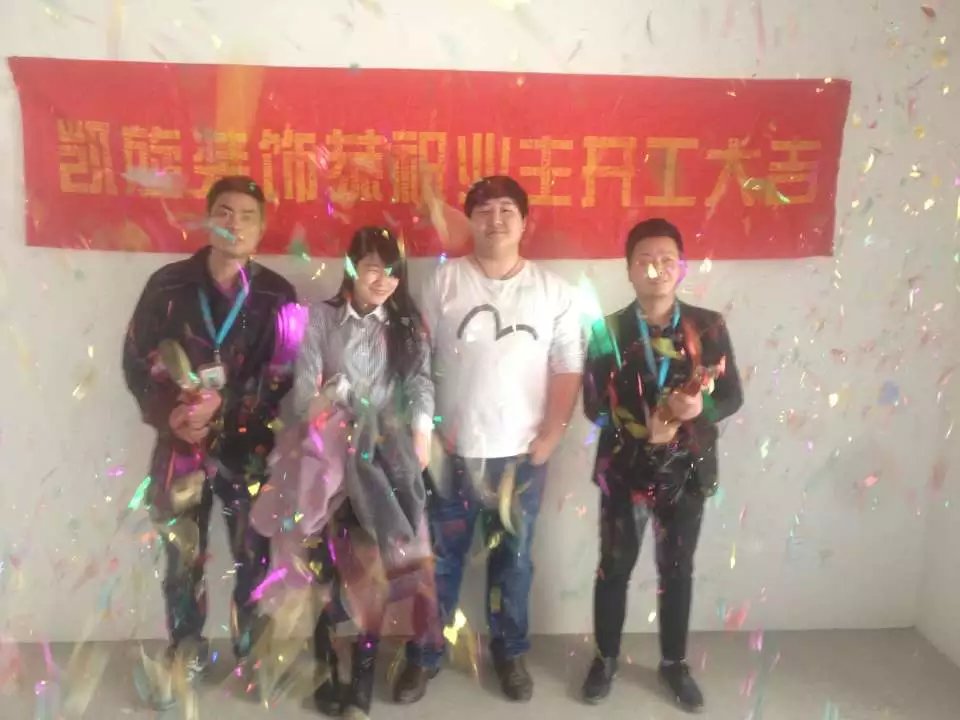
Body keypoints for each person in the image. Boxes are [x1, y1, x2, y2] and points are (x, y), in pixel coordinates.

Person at [395, 176, 584, 703]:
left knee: (514, 561)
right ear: (469, 220)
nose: (495, 220)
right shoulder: (443, 283)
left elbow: (568, 365)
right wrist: (426, 430)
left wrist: (552, 434)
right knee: (439, 560)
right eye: (483, 210)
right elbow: (418, 362)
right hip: (450, 454)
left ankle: (510, 652)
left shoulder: (554, 292)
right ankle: (425, 654)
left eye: (506, 210)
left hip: (521, 457)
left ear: (525, 222)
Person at [122, 176, 297, 705]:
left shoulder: (278, 295)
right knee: (182, 556)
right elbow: (136, 360)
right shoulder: (167, 285)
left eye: (247, 216)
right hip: (180, 443)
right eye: (224, 212)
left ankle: (252, 651)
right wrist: (171, 414)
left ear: (261, 228)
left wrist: (226, 404)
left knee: (253, 553)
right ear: (208, 218)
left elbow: (282, 374)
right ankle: (187, 649)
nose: (233, 224)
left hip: (247, 447)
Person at [579, 218, 743, 713]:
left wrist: (698, 409)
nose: (657, 269)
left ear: (681, 267)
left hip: (686, 470)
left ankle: (674, 664)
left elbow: (731, 395)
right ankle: (605, 659)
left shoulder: (709, 326)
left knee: (677, 570)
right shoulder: (606, 331)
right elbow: (593, 405)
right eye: (645, 260)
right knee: (613, 568)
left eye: (667, 259)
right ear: (629, 269)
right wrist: (641, 427)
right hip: (625, 467)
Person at [283, 226, 438, 718]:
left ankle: (363, 679)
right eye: (373, 267)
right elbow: (303, 398)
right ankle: (326, 667)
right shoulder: (321, 318)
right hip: (327, 460)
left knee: (372, 573)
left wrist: (420, 433)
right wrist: (340, 395)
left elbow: (420, 384)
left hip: (381, 464)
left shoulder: (407, 325)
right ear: (352, 267)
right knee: (324, 571)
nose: (384, 280)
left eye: (393, 271)